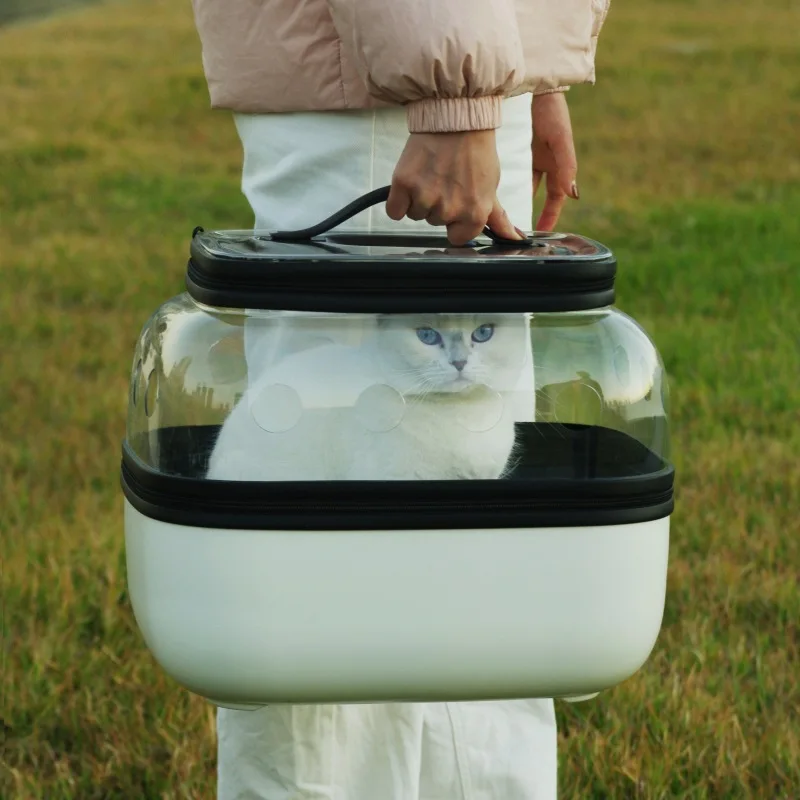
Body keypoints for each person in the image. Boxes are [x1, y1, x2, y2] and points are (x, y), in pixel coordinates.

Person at [189, 1, 611, 797]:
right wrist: (456, 94)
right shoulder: (436, 87)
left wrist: (534, 75)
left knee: (475, 574)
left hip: (456, 65)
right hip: (384, 85)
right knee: (331, 601)